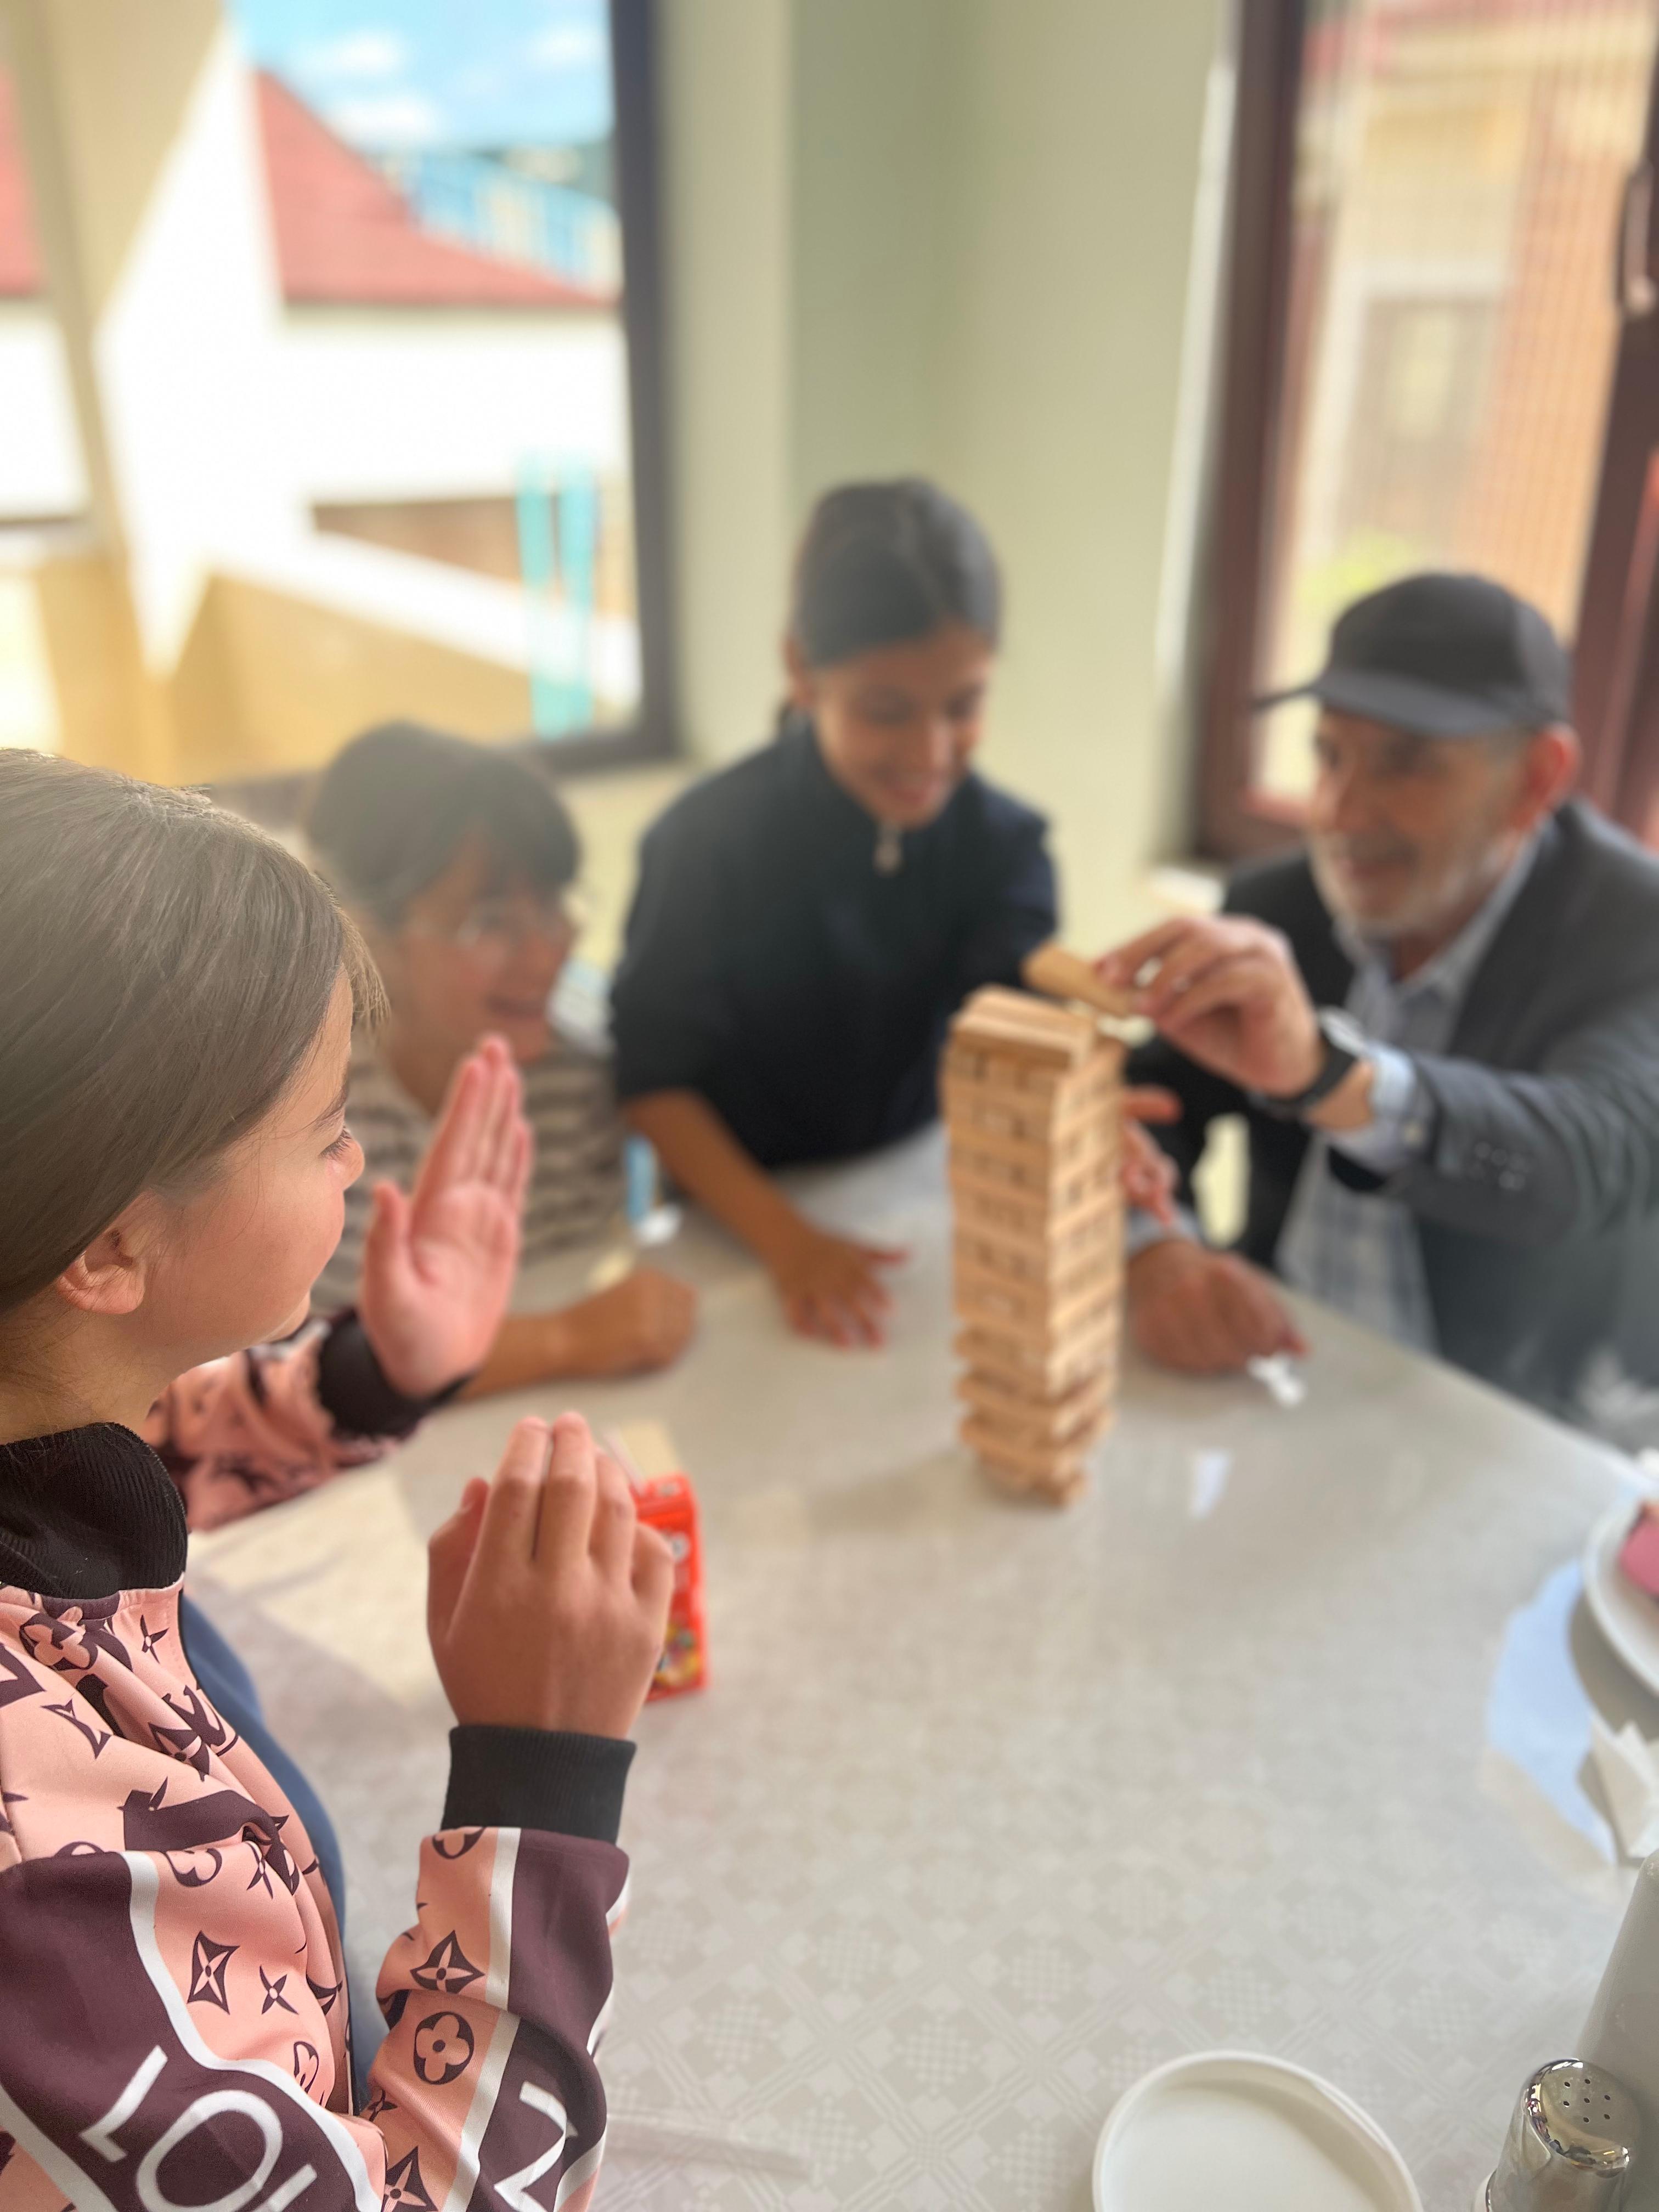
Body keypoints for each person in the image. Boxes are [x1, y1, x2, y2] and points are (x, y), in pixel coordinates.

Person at [0, 750, 672, 2200]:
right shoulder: (45, 1901)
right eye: (322, 1133)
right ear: (106, 1250)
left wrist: (373, 1374)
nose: (363, 1162)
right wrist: (538, 1776)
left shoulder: (32, 1409)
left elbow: (126, 1441)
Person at [1103, 571, 1659, 1420]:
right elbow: (1144, 1104)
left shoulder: (1634, 929)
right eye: (1328, 754)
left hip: (1515, 1422)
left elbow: (1587, 1161)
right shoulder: (1276, 906)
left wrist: (1329, 1079)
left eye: (1407, 764)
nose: (1340, 812)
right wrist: (1156, 1246)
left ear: (1535, 779)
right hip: (1278, 1379)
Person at [610, 478, 1062, 1347]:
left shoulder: (1006, 844)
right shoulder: (704, 845)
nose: (929, 753)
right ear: (800, 671)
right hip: (737, 1222)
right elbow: (653, 1083)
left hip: (919, 1197)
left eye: (963, 707)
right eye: (886, 711)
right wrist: (790, 1243)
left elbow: (1019, 1026)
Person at [307, 722, 697, 1392]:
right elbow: (295, 1371)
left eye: (551, 905)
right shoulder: (304, 1116)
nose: (546, 954)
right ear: (370, 935)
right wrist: (562, 1341)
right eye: (488, 923)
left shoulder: (578, 1078)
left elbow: (585, 1273)